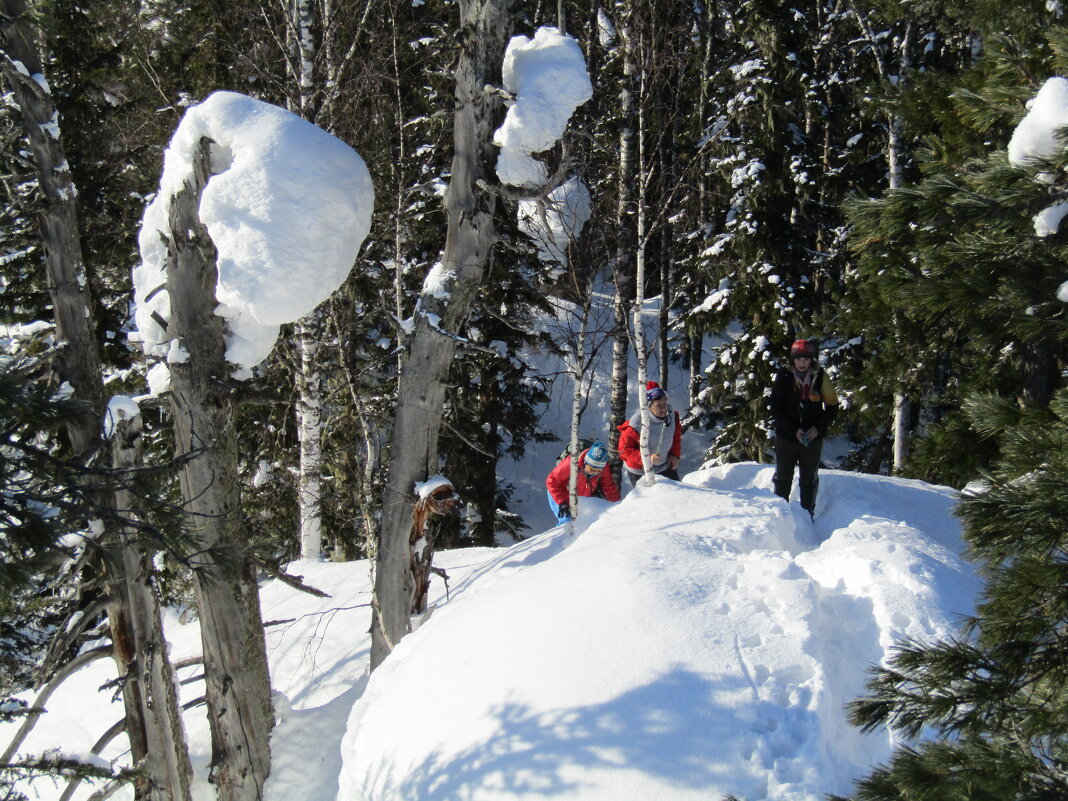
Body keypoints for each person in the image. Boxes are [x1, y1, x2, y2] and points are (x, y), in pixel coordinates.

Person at [770, 338, 839, 518]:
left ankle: (808, 514)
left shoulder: (820, 377)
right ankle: (781, 513)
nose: (802, 363)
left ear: (812, 360)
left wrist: (817, 428)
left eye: (806, 359)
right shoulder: (783, 376)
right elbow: (776, 408)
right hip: (786, 434)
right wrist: (794, 429)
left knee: (808, 477)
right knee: (783, 476)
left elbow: (832, 407)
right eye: (799, 359)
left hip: (812, 435)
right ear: (793, 359)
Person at [617, 381, 682, 485]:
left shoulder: (672, 417)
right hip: (641, 471)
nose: (663, 408)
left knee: (676, 493)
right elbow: (624, 450)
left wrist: (674, 455)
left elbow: (676, 437)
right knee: (651, 500)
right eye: (658, 406)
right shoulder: (636, 424)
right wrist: (647, 459)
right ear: (649, 407)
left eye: (664, 403)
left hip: (665, 466)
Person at [545, 441, 620, 523]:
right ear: (586, 462)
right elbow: (552, 480)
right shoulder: (572, 463)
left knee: (581, 523)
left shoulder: (604, 467)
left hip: (580, 499)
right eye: (591, 469)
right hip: (559, 494)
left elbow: (609, 487)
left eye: (597, 470)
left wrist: (618, 506)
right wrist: (561, 502)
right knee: (567, 521)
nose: (593, 472)